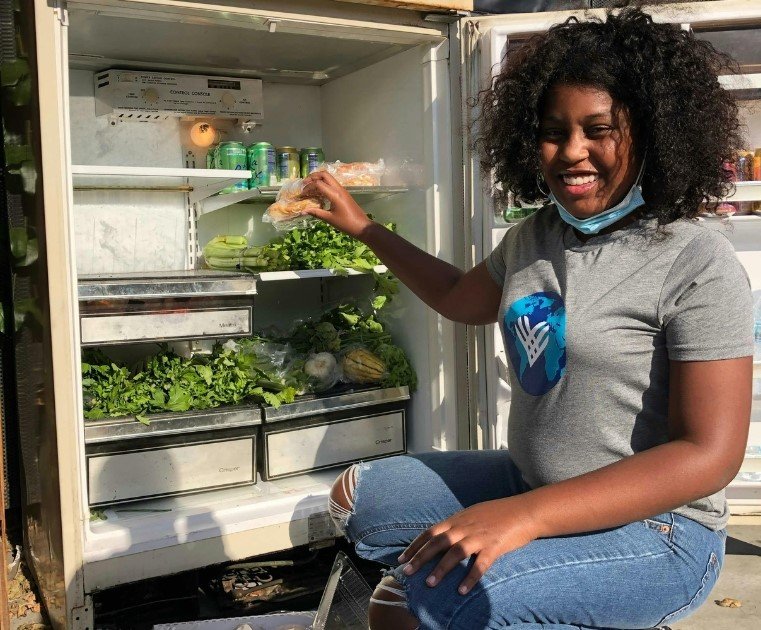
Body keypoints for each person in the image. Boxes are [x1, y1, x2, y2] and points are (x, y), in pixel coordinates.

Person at [301, 8, 752, 630]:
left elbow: (709, 455)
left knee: (407, 608)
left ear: (650, 133)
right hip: (528, 480)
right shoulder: (534, 236)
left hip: (660, 530)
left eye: (599, 130)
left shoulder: (696, 260)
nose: (571, 152)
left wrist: (524, 519)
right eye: (552, 132)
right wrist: (363, 226)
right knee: (358, 499)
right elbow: (461, 297)